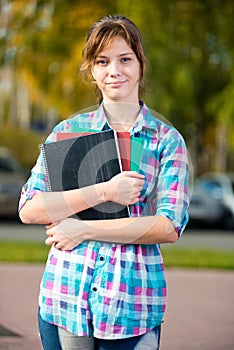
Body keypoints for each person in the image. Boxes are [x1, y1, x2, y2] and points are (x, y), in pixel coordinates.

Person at [19, 15, 190, 350]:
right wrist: (106, 191)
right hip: (64, 298)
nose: (115, 71)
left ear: (141, 65)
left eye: (125, 59)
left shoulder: (165, 141)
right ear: (92, 70)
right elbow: (30, 208)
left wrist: (84, 230)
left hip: (131, 304)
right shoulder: (69, 131)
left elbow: (168, 226)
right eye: (103, 61)